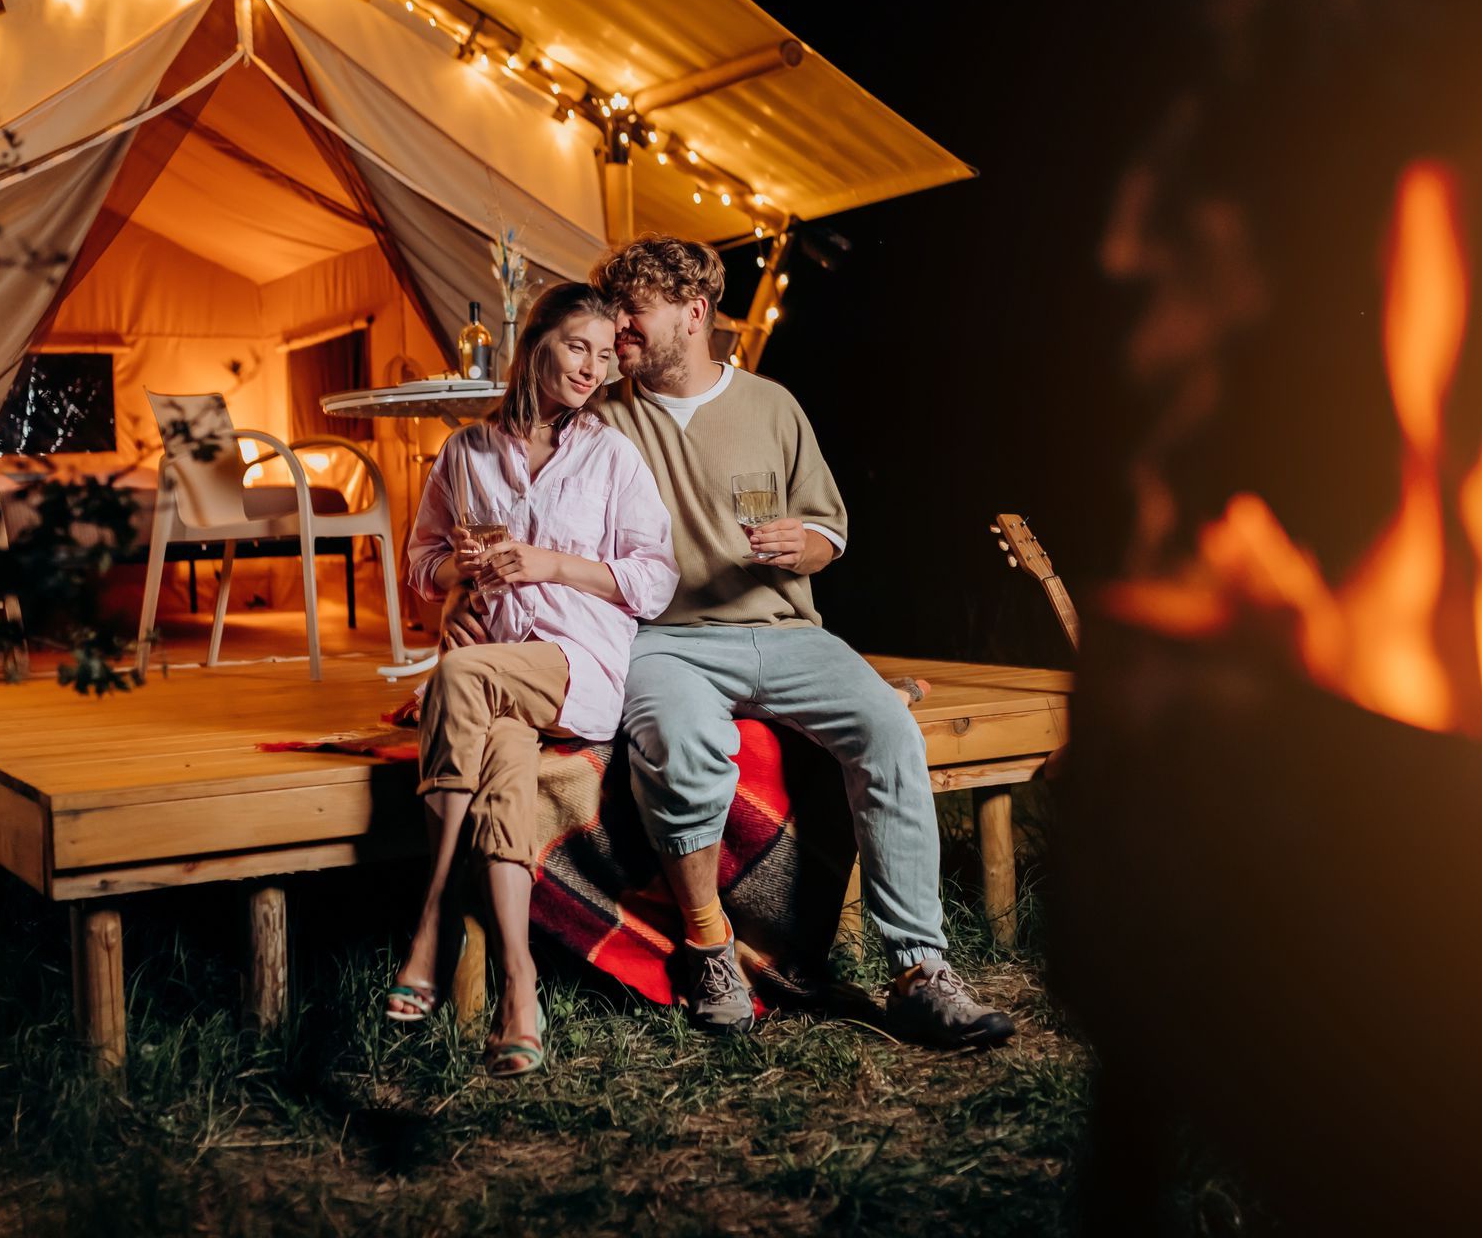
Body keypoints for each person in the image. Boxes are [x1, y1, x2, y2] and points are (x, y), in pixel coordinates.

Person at [448, 235, 1014, 1046]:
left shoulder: (774, 407)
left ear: (695, 313)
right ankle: (710, 946)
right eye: (611, 321)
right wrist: (468, 599)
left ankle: (921, 970)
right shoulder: (600, 415)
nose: (620, 333)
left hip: (784, 632)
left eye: (633, 316)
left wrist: (805, 544)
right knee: (681, 745)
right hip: (663, 640)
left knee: (889, 733)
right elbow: (512, 482)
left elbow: (830, 529)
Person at [390, 282, 679, 1077]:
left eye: (602, 353)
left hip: (575, 660)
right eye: (576, 347)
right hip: (499, 671)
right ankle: (520, 990)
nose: (592, 368)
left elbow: (655, 578)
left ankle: (436, 921)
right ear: (537, 345)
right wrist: (458, 580)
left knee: (459, 676)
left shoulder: (611, 455)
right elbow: (422, 562)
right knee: (504, 768)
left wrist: (551, 564)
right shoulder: (466, 452)